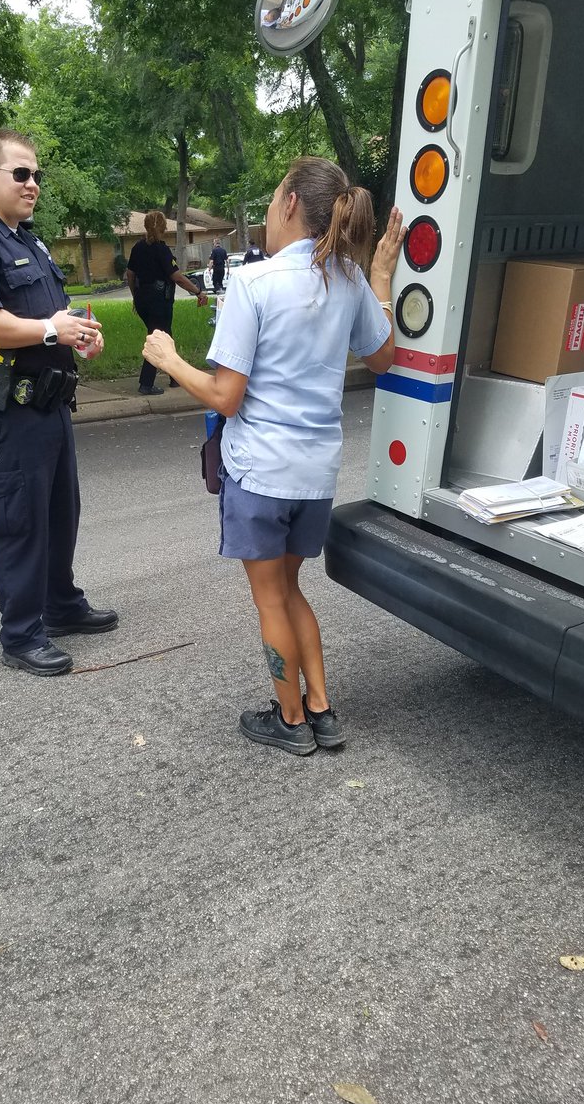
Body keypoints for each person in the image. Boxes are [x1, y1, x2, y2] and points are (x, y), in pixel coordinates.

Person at [143, 156, 405, 755]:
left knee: (270, 600)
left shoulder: (254, 284)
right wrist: (381, 276)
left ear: (290, 204)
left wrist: (169, 360)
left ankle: (290, 720)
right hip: (316, 476)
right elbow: (383, 358)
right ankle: (321, 710)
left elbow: (225, 397)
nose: (268, 206)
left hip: (261, 473)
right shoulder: (349, 278)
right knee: (289, 590)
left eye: (274, 194)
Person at [0, 128, 118, 677]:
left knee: (61, 511)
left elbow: (53, 313)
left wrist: (80, 334)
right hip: (9, 411)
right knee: (21, 521)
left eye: (36, 174)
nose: (33, 183)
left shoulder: (27, 241)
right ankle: (20, 634)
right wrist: (53, 330)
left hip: (51, 403)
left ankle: (60, 604)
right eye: (21, 173)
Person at [126, 211, 207, 396]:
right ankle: (146, 383)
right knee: (157, 339)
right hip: (159, 301)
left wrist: (135, 296)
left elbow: (130, 274)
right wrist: (198, 292)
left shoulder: (138, 247)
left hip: (143, 300)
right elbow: (177, 277)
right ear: (163, 227)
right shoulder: (162, 250)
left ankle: (175, 376)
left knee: (166, 336)